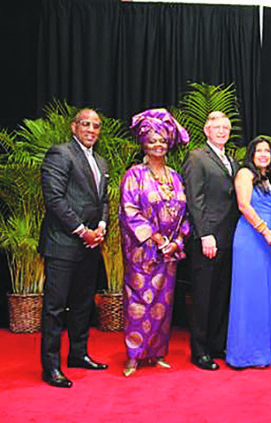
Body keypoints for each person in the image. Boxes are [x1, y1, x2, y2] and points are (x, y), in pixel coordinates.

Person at [39, 108, 109, 388]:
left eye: (96, 126)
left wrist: (101, 227)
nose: (91, 129)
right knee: (55, 308)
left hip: (91, 245)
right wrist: (83, 231)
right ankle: (51, 367)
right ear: (74, 127)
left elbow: (102, 200)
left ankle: (78, 354)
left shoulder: (101, 162)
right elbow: (54, 199)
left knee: (82, 304)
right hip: (63, 244)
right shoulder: (60, 153)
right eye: (86, 124)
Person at [119, 108, 190, 377]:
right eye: (152, 140)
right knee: (139, 304)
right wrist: (156, 237)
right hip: (143, 254)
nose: (158, 144)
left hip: (169, 254)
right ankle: (134, 356)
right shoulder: (134, 175)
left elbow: (185, 213)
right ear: (144, 144)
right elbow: (129, 211)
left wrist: (179, 240)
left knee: (163, 304)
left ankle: (157, 353)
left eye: (162, 140)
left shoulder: (175, 176)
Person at [183, 111, 240, 370]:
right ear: (206, 130)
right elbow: (194, 199)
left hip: (229, 238)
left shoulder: (231, 159)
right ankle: (200, 350)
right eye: (216, 127)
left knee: (221, 294)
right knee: (204, 295)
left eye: (225, 127)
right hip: (207, 238)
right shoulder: (197, 158)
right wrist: (205, 234)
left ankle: (217, 344)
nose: (221, 131)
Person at [226, 138, 271, 368]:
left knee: (266, 294)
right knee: (247, 294)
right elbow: (244, 205)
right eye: (259, 150)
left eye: (267, 151)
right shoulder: (245, 174)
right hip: (252, 238)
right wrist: (265, 230)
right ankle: (242, 354)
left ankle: (262, 353)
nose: (263, 154)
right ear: (251, 153)